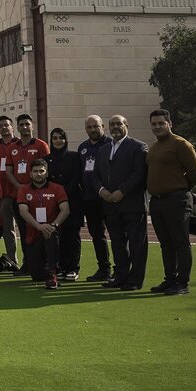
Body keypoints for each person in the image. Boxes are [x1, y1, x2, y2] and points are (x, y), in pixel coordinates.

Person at [146, 109, 196, 295]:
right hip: (157, 202)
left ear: (170, 124)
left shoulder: (181, 144)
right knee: (165, 244)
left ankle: (182, 283)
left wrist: (181, 189)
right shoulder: (153, 147)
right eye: (154, 124)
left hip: (176, 200)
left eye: (161, 123)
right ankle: (170, 279)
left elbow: (195, 172)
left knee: (180, 242)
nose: (157, 127)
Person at [95, 114, 149, 291]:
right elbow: (95, 175)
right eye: (112, 124)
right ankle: (120, 277)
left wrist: (121, 192)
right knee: (117, 244)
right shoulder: (103, 150)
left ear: (127, 125)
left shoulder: (138, 147)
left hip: (132, 205)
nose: (115, 127)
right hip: (110, 205)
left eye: (119, 124)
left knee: (136, 245)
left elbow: (138, 174)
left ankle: (135, 280)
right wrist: (102, 191)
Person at [2, 114, 52, 274]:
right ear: (17, 127)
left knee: (40, 229)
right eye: (21, 124)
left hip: (39, 197)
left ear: (32, 126)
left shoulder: (41, 145)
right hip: (19, 196)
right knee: (24, 230)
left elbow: (46, 170)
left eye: (27, 124)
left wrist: (32, 187)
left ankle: (44, 264)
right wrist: (20, 187)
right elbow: (9, 170)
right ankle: (27, 263)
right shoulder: (12, 147)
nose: (24, 127)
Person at [18, 159, 70, 288]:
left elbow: (65, 209)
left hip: (52, 230)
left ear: (47, 173)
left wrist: (54, 225)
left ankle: (53, 274)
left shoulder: (57, 188)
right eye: (35, 171)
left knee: (52, 235)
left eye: (41, 171)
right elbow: (23, 211)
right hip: (34, 234)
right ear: (30, 174)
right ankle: (47, 270)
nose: (38, 174)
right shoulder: (24, 190)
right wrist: (39, 226)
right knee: (36, 276)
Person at [77, 115, 114, 282]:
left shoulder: (111, 145)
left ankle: (121, 270)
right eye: (89, 127)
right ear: (85, 129)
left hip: (108, 197)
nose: (93, 130)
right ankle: (104, 268)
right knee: (97, 235)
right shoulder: (82, 148)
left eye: (96, 126)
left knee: (117, 234)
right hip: (89, 199)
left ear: (103, 127)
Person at [45, 127, 83, 280]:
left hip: (73, 200)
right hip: (54, 203)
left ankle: (73, 268)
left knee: (72, 235)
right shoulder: (47, 159)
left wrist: (64, 193)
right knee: (58, 236)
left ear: (65, 140)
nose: (58, 141)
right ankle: (60, 267)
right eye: (54, 138)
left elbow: (77, 177)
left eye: (61, 138)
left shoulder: (74, 157)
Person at [0, 115, 19, 270]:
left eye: (6, 125)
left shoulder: (20, 145)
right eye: (0, 125)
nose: (3, 128)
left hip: (20, 193)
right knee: (8, 229)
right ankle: (13, 259)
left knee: (29, 228)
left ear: (12, 127)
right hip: (3, 194)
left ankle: (33, 260)